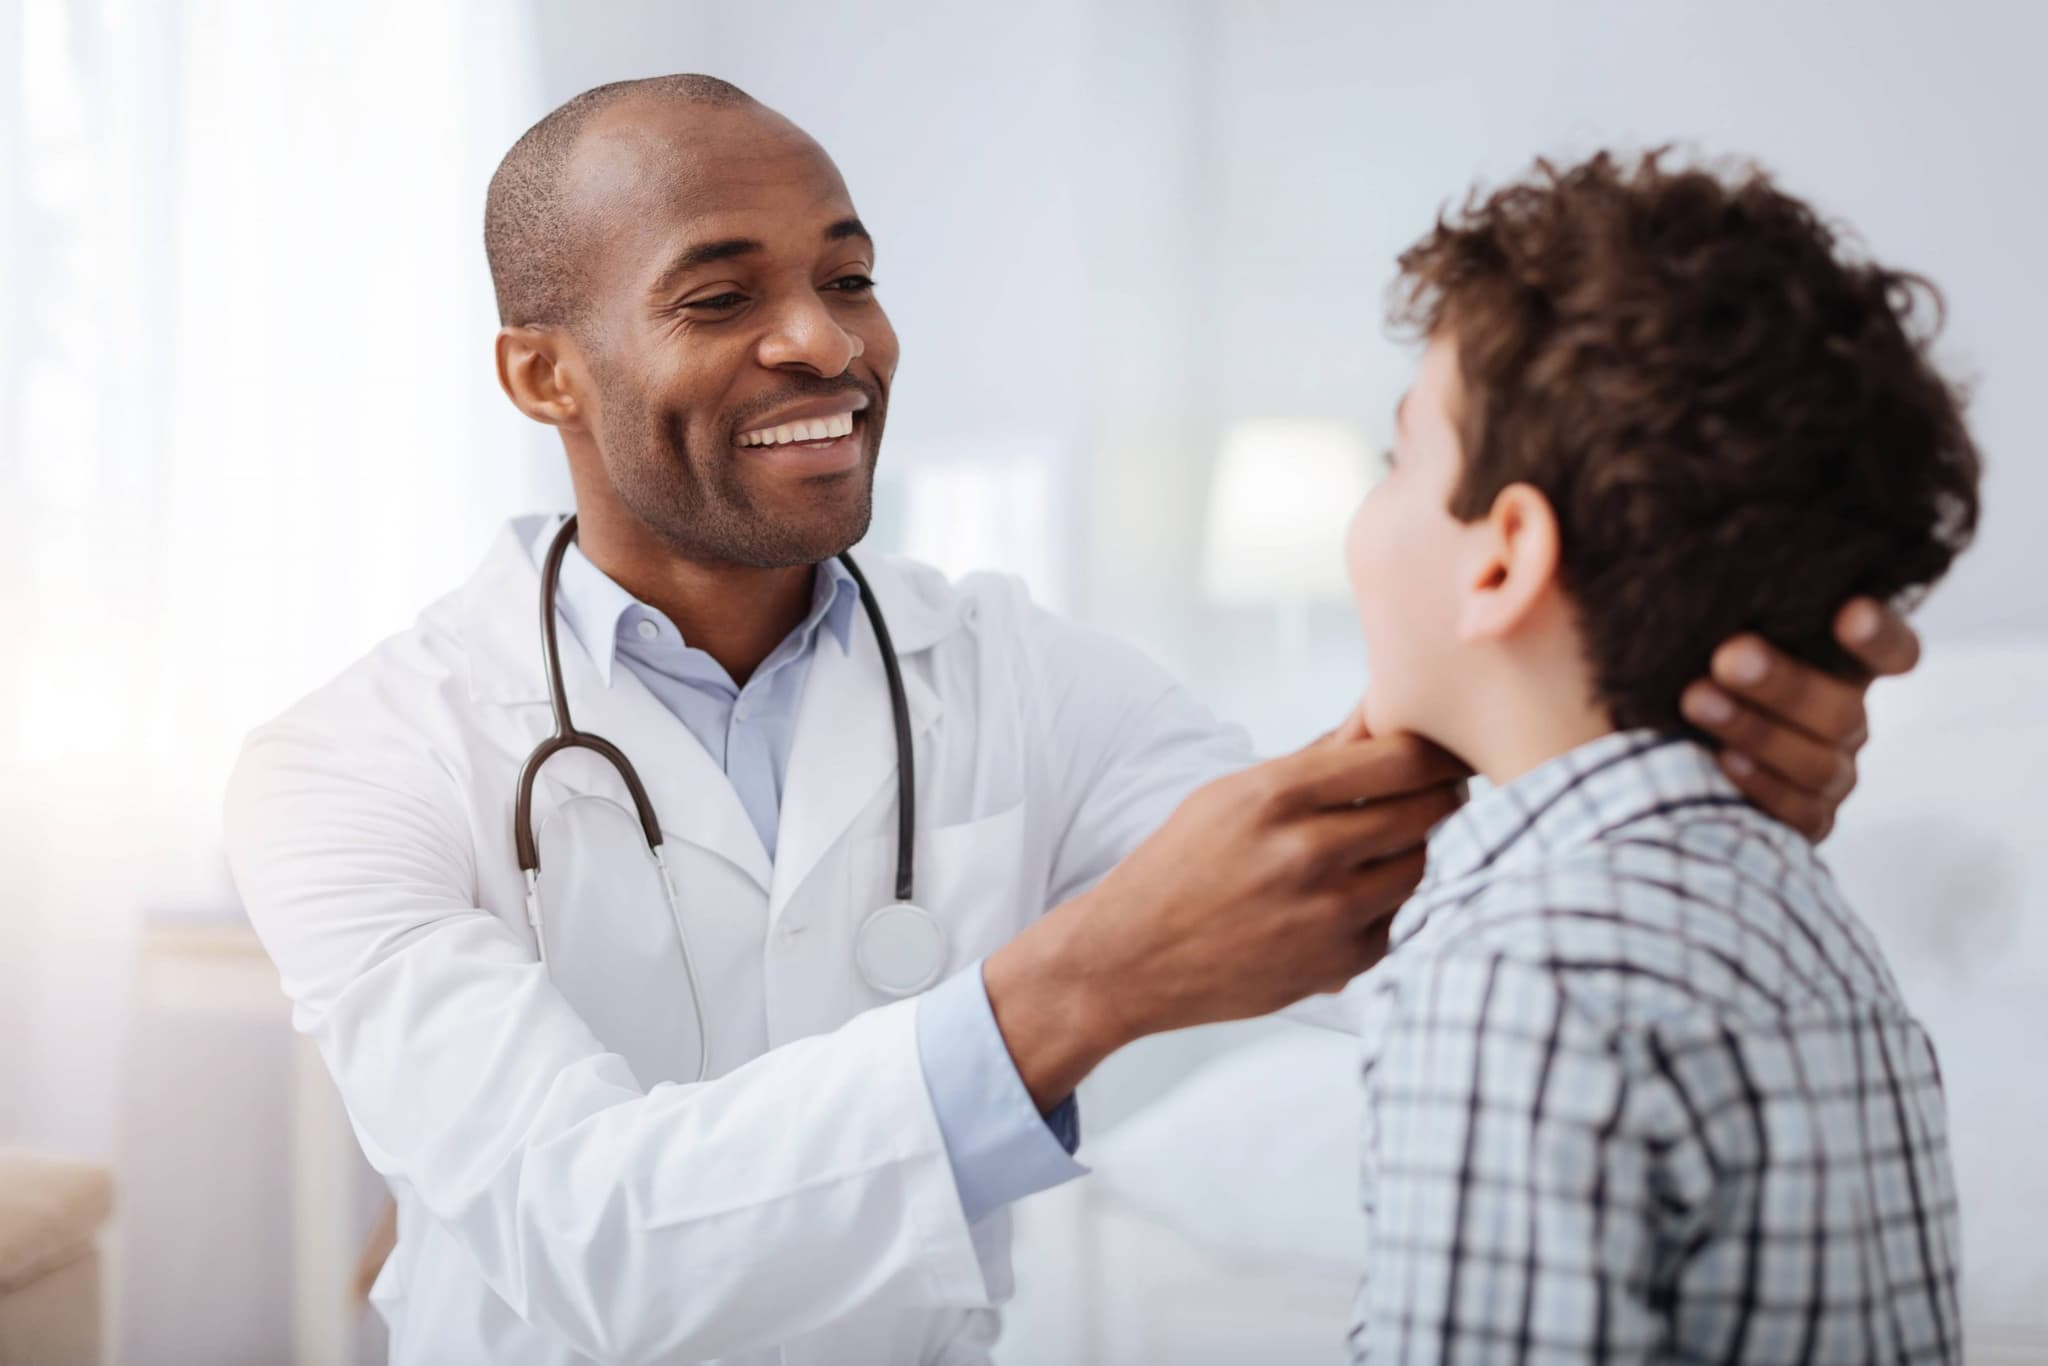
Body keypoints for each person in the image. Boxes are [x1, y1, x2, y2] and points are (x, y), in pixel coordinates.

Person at [221, 77, 1917, 1365]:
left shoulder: (1016, 670)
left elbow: (1388, 891)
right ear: (542, 374)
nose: (824, 340)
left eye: (849, 273)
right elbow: (567, 1226)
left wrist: (1664, 755)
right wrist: (1072, 987)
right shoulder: (351, 761)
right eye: (718, 297)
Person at [1341, 149, 1974, 1363]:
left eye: (1397, 460)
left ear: (1501, 557)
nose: (1366, 513)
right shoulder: (1811, 926)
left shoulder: (1517, 981)